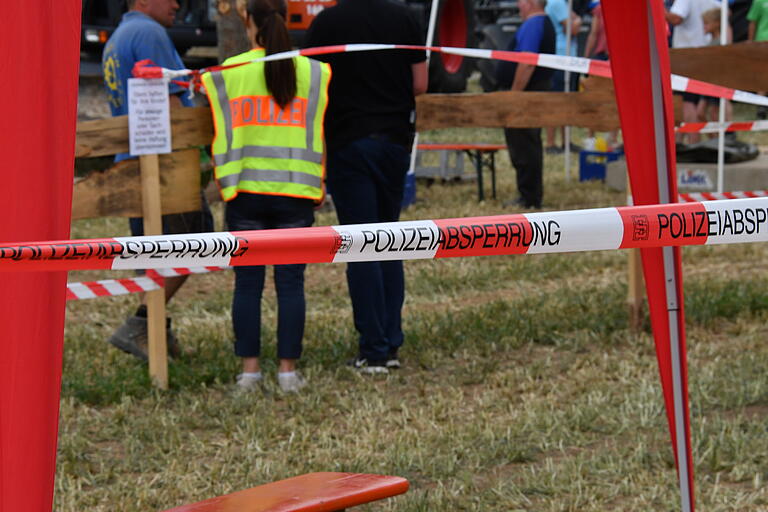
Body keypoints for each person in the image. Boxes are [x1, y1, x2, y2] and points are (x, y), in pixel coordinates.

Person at [201, 0, 331, 393]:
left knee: (248, 285)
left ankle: (250, 373)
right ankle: (288, 373)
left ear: (246, 19)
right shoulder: (315, 72)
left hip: (246, 194)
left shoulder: (229, 73)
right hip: (295, 193)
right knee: (291, 284)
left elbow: (201, 95)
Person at [304, 0, 428, 374]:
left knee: (361, 245)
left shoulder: (327, 22)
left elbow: (311, 84)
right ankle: (390, 341)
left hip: (349, 143)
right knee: (389, 241)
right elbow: (420, 84)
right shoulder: (406, 17)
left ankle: (373, 349)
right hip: (394, 143)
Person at [102, 0, 214, 360]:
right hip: (164, 166)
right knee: (198, 243)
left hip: (132, 163)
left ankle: (157, 336)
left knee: (156, 254)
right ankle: (141, 323)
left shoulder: (118, 38)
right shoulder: (150, 33)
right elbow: (171, 104)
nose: (178, 4)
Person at [497, 0, 556, 209]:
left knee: (525, 145)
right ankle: (528, 194)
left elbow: (528, 62)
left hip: (526, 95)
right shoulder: (539, 23)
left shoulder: (534, 24)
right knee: (525, 144)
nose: (518, 6)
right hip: (530, 93)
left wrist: (514, 94)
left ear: (530, 3)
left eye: (521, 2)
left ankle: (529, 197)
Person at [665, 0, 719, 143]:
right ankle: (688, 140)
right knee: (696, 104)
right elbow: (724, 13)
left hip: (686, 57)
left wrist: (656, 10)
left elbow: (676, 18)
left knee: (686, 103)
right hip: (703, 55)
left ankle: (692, 141)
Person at [544, 0, 581, 154]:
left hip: (566, 58)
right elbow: (571, 30)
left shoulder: (561, 4)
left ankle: (565, 141)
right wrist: (578, 20)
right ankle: (551, 143)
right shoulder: (557, 3)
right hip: (561, 58)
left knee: (566, 102)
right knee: (556, 102)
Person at [747, 0, 768, 118]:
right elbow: (752, 22)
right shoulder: (759, 1)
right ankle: (760, 105)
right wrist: (751, 44)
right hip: (763, 43)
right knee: (762, 74)